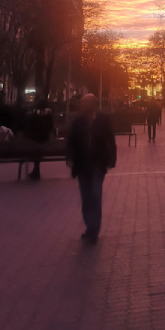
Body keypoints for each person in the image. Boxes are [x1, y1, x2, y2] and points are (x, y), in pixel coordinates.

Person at [66, 94, 117, 244]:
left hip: (97, 163)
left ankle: (94, 228)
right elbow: (71, 140)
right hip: (83, 165)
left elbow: (110, 138)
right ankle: (90, 227)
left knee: (95, 193)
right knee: (86, 196)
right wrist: (70, 157)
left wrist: (111, 159)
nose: (82, 106)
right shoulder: (79, 122)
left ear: (92, 104)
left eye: (85, 103)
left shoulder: (102, 119)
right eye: (82, 103)